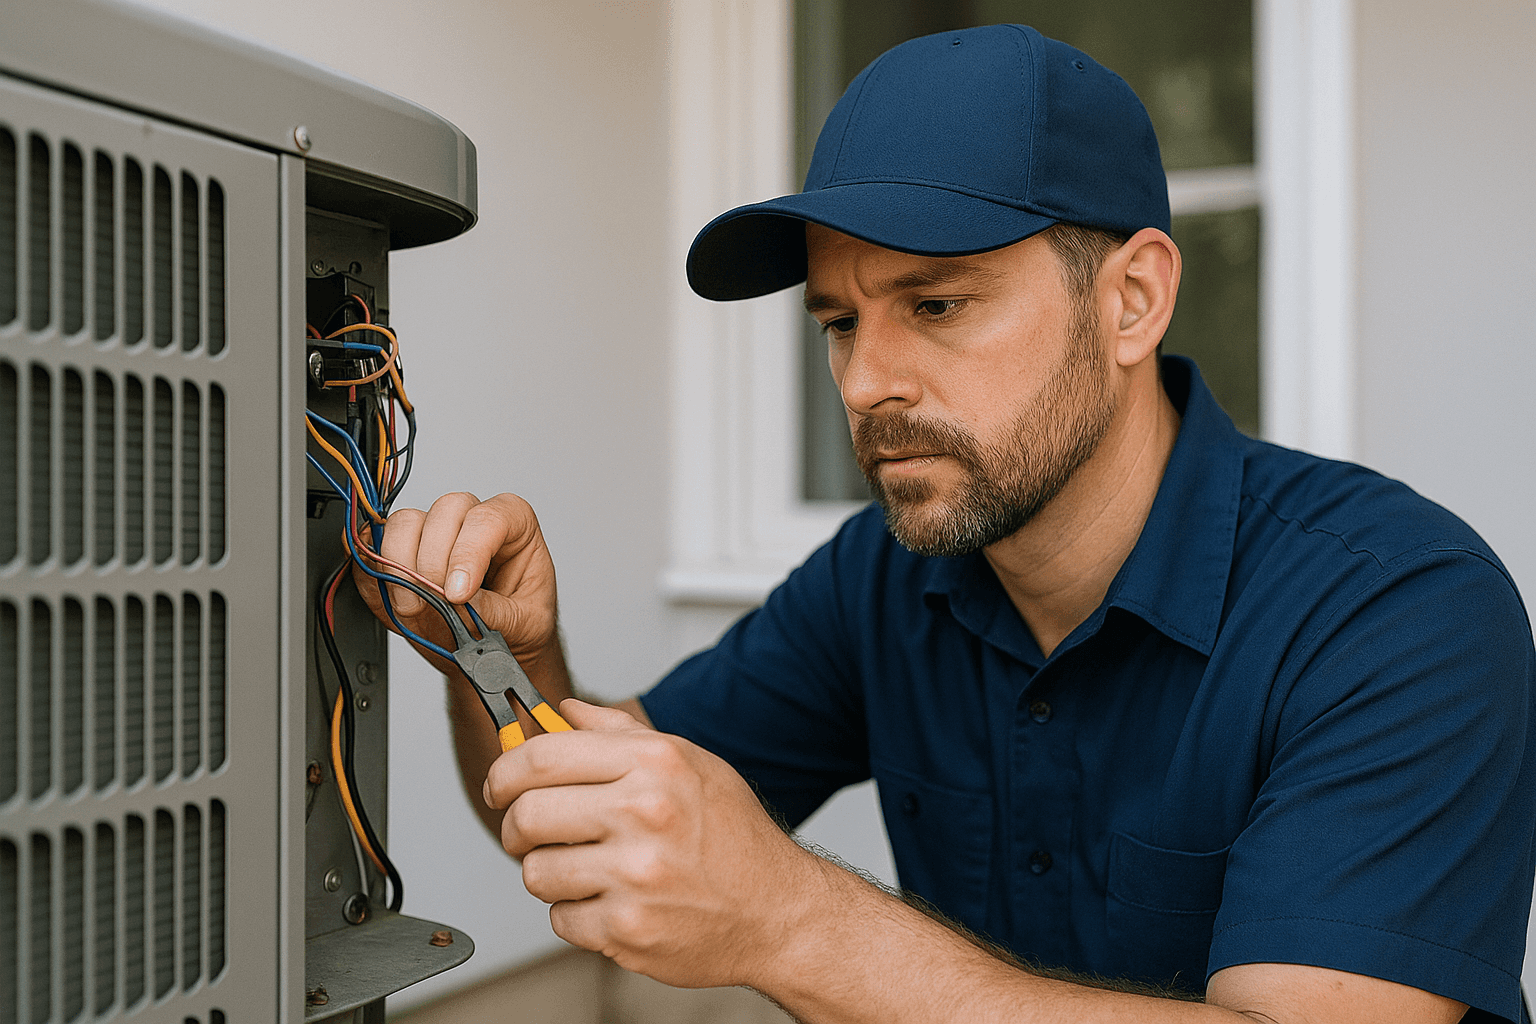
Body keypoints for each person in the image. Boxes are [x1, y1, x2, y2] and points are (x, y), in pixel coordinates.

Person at [362, 24, 1536, 1024]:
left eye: (936, 303)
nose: (867, 379)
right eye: (837, 321)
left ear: (1130, 301)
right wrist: (506, 658)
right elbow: (594, 817)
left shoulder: (1400, 609)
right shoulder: (881, 578)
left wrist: (792, 917)